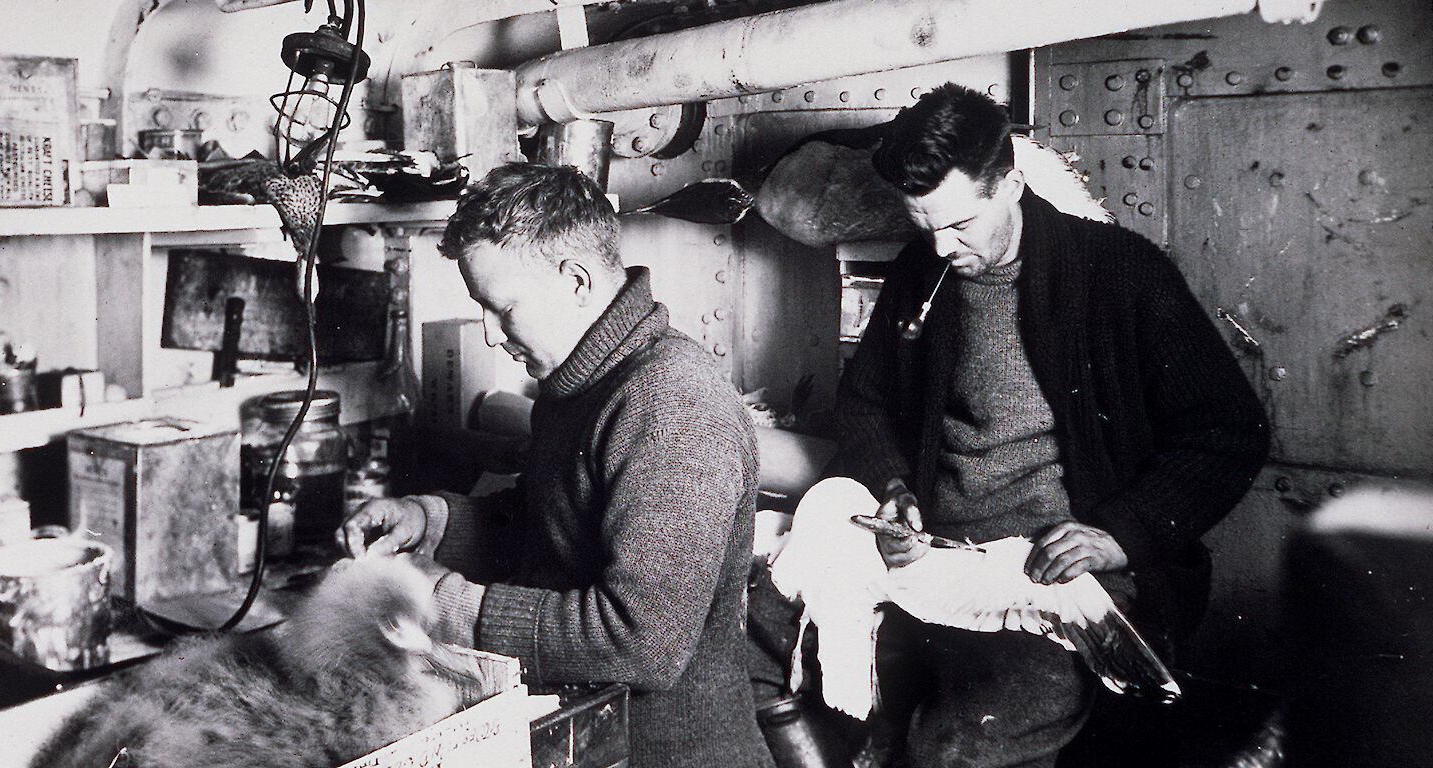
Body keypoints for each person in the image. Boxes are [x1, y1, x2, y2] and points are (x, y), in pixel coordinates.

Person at [830, 83, 1270, 767]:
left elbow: (1229, 432)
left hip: (1055, 578)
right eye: (924, 226)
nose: (941, 249)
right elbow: (862, 402)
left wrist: (1121, 534)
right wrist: (894, 485)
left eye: (959, 225)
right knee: (763, 632)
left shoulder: (1120, 272)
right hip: (937, 560)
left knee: (952, 749)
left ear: (1009, 183)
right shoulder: (924, 270)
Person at [340, 162, 773, 768]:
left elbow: (638, 640)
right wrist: (431, 520)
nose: (491, 335)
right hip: (591, 739)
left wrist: (451, 607)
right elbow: (558, 523)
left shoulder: (672, 401)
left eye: (502, 308)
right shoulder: (582, 380)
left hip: (670, 753)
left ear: (576, 280)